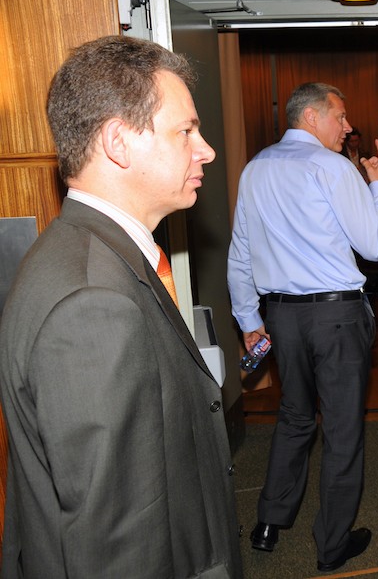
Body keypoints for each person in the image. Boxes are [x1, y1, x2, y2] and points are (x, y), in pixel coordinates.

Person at [0, 36, 242, 577]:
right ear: (118, 143)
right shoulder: (94, 304)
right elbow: (117, 546)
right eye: (185, 131)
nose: (205, 150)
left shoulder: (83, 252)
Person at [227, 82, 378, 572]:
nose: (348, 126)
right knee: (341, 429)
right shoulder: (331, 166)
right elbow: (374, 246)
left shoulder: (255, 168)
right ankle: (332, 544)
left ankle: (268, 522)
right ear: (311, 117)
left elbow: (241, 254)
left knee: (295, 417)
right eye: (340, 116)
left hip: (281, 316)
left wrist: (249, 320)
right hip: (336, 317)